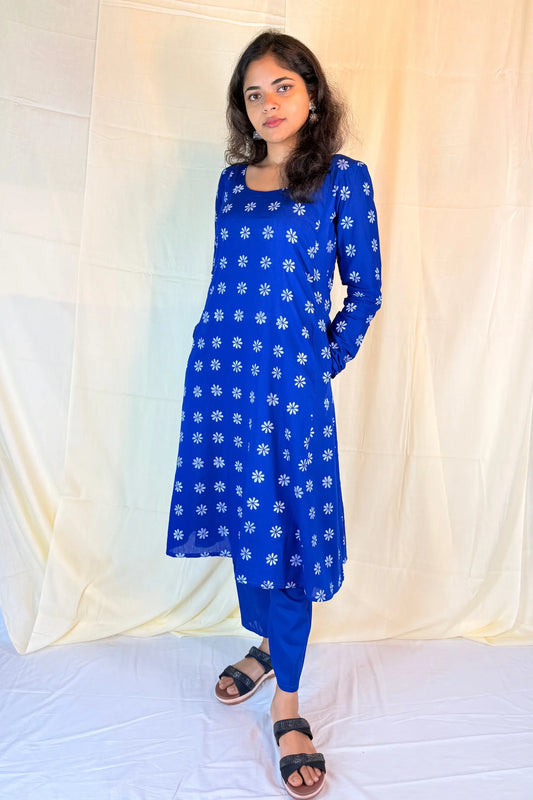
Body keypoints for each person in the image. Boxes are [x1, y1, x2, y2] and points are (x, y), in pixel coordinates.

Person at [166, 30, 381, 798]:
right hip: (220, 379)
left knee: (285, 532)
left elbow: (364, 292)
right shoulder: (230, 183)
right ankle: (265, 643)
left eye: (281, 87)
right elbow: (227, 283)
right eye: (253, 93)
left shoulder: (342, 181)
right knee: (241, 521)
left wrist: (317, 360)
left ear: (311, 94)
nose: (267, 104)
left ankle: (286, 704)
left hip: (289, 394)